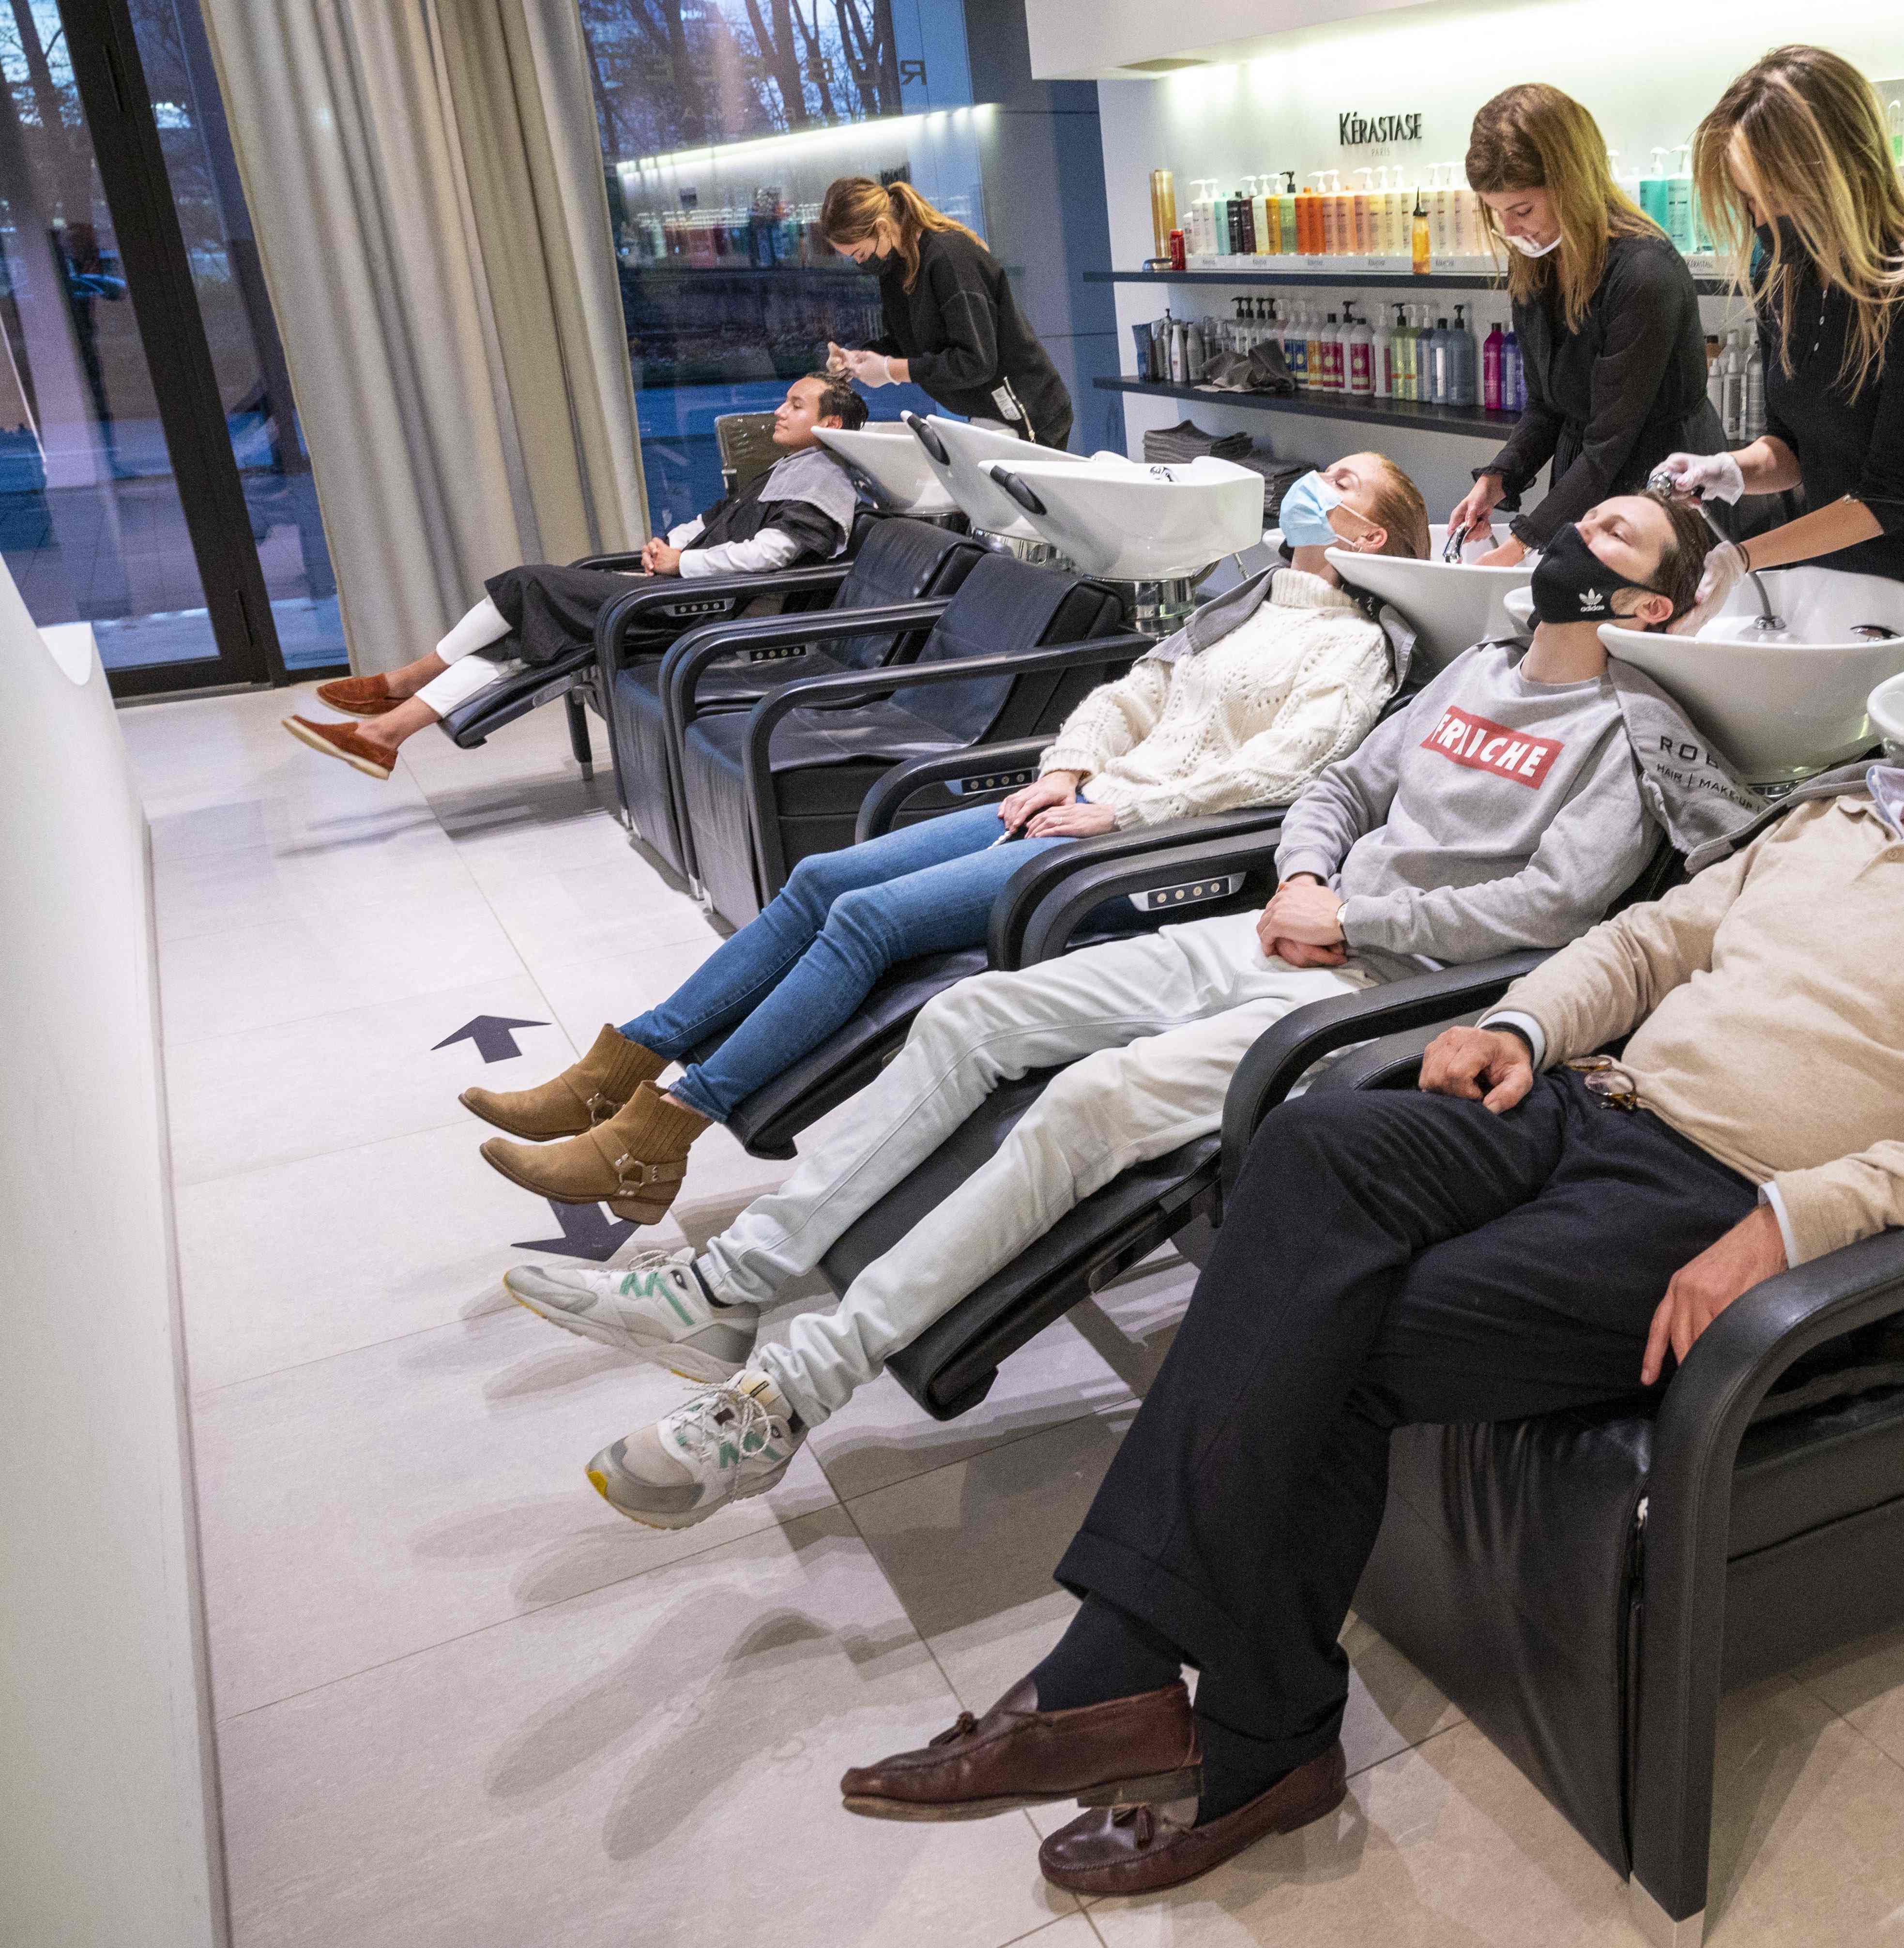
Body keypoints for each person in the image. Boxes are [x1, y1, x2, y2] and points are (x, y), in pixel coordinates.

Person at [821, 563, 1904, 1899]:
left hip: (1713, 1203)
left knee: (1359, 1321)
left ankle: (1215, 1719)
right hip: (1583, 1103)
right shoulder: (1833, 814)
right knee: (1310, 1145)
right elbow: (1649, 945)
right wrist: (1517, 1022)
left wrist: (1799, 1222)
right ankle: (1155, 1688)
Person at [504, 489, 1759, 1530]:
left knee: (1091, 1103)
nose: (1579, 535)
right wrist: (1314, 876)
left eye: (1617, 538)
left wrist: (1356, 926)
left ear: (1650, 607)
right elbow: (1338, 787)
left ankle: (785, 1397)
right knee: (973, 1021)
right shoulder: (1478, 671)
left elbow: (1556, 906)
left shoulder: (1631, 729)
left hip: (1390, 994)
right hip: (1288, 929)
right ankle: (730, 1281)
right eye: (1589, 516)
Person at [467, 454, 1433, 1221]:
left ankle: (664, 1132)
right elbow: (1131, 694)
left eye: (1340, 482)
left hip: (1134, 847)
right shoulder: (1245, 601)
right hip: (1078, 797)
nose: (1312, 485)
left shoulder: (1355, 645)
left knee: (868, 919)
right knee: (820, 880)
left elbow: (1284, 773)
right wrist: (1063, 768)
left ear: (1371, 532)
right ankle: (621, 1067)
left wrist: (1118, 813)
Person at [284, 373, 867, 782]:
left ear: (832, 422)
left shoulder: (826, 483)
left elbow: (769, 556)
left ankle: (408, 679)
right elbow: (713, 523)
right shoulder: (791, 469)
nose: (780, 411)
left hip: (701, 609)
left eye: (796, 404)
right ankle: (385, 735)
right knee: (531, 638)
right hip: (680, 592)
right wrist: (673, 544)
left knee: (530, 584)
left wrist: (682, 566)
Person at [1650, 46, 1904, 624]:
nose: (1760, 221)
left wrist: (1745, 556)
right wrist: (1731, 470)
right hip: (1831, 586)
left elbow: (1885, 500)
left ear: (1837, 172)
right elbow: (1793, 446)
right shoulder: (1784, 275)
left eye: (1771, 196)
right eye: (1747, 200)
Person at [1446, 85, 1727, 569]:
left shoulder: (1645, 274)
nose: (1511, 230)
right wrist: (1499, 478)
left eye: (1523, 210)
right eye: (1497, 213)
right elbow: (1546, 407)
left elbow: (1610, 443)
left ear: (1573, 183)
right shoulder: (1536, 268)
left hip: (1664, 495)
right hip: (1586, 488)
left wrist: (1522, 544)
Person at [819, 176, 1073, 451]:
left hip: (1026, 410)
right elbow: (906, 343)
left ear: (882, 227)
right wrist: (858, 359)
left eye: (859, 253)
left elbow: (976, 361)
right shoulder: (895, 268)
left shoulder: (950, 259)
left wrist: (891, 371)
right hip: (989, 412)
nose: (861, 263)